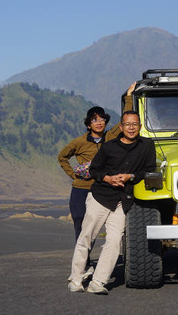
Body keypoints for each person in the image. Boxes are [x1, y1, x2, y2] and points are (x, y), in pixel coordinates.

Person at [68, 111, 156, 294]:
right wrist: (108, 179)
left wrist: (130, 176)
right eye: (127, 124)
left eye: (135, 124)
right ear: (121, 127)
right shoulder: (108, 147)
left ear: (140, 126)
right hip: (100, 197)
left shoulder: (147, 145)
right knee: (86, 236)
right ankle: (76, 278)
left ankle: (98, 282)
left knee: (115, 241)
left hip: (122, 200)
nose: (131, 127)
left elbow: (149, 170)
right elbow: (94, 170)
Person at [58, 82, 136, 241]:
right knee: (80, 220)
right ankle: (84, 261)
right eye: (94, 120)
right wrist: (73, 175)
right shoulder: (78, 142)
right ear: (88, 125)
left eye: (102, 119)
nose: (99, 122)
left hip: (102, 187)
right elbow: (62, 157)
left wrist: (128, 97)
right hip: (82, 187)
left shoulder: (110, 137)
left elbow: (127, 118)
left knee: (103, 224)